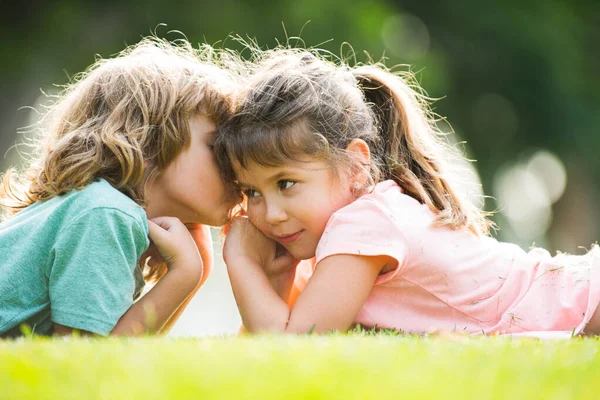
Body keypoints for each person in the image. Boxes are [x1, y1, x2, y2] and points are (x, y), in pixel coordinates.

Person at [216, 48, 600, 337]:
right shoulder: (357, 226)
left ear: (354, 166)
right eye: (252, 192)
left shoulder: (362, 226)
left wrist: (242, 261)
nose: (271, 213)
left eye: (286, 184)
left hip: (581, 299)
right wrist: (277, 276)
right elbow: (268, 335)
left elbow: (294, 342)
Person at [0, 37, 240, 337]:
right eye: (216, 147)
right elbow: (84, 362)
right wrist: (183, 275)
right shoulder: (105, 213)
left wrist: (194, 274)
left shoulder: (99, 209)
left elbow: (121, 359)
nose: (235, 166)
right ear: (148, 145)